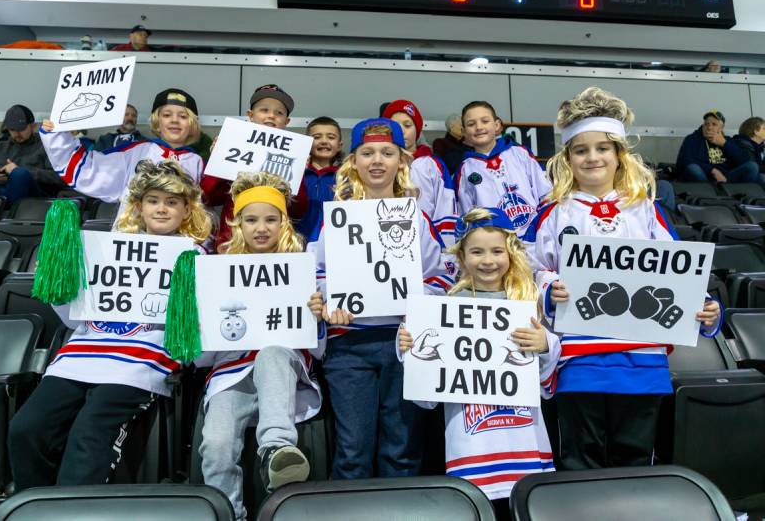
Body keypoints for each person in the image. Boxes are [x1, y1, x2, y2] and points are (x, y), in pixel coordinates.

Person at [524, 87, 722, 470]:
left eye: (602, 148)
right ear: (567, 159)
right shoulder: (553, 212)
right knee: (581, 463)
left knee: (635, 462)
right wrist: (549, 290)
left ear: (619, 155)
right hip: (577, 360)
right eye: (581, 150)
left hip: (642, 361)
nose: (592, 156)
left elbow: (680, 269)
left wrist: (707, 310)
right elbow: (529, 271)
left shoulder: (645, 209)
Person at [7, 159, 212, 490]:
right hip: (80, 357)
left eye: (172, 202)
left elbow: (193, 333)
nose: (162, 209)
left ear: (187, 210)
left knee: (90, 433)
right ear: (139, 206)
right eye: (153, 201)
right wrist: (61, 285)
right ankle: (36, 505)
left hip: (140, 362)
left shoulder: (194, 256)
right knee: (26, 429)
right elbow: (74, 318)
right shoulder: (103, 247)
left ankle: (74, 511)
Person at [307, 118, 455, 479]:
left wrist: (413, 297)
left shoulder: (416, 218)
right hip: (349, 346)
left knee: (402, 450)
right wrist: (325, 303)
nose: (377, 161)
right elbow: (316, 272)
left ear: (401, 161)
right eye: (367, 153)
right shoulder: (336, 219)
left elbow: (442, 276)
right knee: (353, 451)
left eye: (387, 153)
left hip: (404, 343)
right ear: (353, 161)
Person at [399, 207, 559, 519]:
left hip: (524, 442)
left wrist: (545, 345)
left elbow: (546, 383)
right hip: (472, 448)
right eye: (477, 251)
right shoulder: (443, 309)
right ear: (461, 257)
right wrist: (409, 351)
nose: (488, 260)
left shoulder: (526, 302)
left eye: (497, 251)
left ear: (511, 252)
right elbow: (426, 398)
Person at [196, 172, 324, 521]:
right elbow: (201, 359)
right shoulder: (217, 271)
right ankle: (229, 515)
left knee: (271, 352)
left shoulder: (304, 268)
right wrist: (202, 324)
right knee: (216, 445)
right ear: (237, 224)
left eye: (271, 219)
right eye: (251, 220)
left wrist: (318, 317)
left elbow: (318, 350)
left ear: (284, 223)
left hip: (284, 367)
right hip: (230, 373)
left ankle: (277, 449)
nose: (261, 228)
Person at [40, 88, 204, 222]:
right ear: (157, 122)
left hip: (178, 249)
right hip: (131, 245)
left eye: (183, 116)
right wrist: (58, 135)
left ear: (192, 124)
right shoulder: (135, 151)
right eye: (167, 115)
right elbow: (85, 169)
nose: (174, 120)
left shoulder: (198, 162)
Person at [201, 84, 307, 248]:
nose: (271, 116)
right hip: (232, 242)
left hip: (274, 244)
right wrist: (218, 157)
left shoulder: (293, 154)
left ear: (287, 121)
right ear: (250, 115)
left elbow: (299, 209)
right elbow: (209, 196)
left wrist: (299, 174)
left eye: (279, 113)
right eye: (264, 110)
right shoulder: (233, 143)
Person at [456, 101, 551, 235]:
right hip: (495, 245)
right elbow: (467, 215)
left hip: (534, 240)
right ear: (464, 132)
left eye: (485, 121)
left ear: (497, 125)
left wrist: (543, 229)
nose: (479, 127)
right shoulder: (465, 169)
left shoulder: (520, 153)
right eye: (471, 124)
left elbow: (545, 193)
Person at [383, 99, 458, 246]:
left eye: (407, 125)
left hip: (429, 247)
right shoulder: (378, 165)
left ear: (417, 129)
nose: (402, 131)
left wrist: (446, 249)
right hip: (390, 245)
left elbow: (446, 206)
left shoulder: (432, 164)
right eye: (395, 126)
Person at [0, 105, 67, 203]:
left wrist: (21, 171)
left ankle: (4, 204)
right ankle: (2, 203)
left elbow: (59, 178)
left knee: (20, 174)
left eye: (21, 129)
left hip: (29, 194)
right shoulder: (1, 146)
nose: (17, 134)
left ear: (33, 126)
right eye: (12, 130)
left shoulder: (46, 145)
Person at [676, 110, 757, 184]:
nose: (709, 127)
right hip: (703, 179)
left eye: (714, 124)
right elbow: (685, 160)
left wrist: (724, 144)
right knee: (693, 168)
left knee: (752, 167)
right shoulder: (692, 139)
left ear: (721, 128)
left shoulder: (728, 140)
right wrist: (712, 170)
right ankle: (708, 193)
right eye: (706, 124)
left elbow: (744, 160)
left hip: (726, 179)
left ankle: (741, 197)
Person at [296, 116, 343, 238]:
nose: (324, 141)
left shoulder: (345, 177)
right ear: (307, 142)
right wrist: (299, 171)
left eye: (331, 137)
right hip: (296, 243)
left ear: (339, 145)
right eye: (317, 137)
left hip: (333, 243)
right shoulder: (297, 174)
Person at [732, 117, 765, 185]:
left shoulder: (759, 147)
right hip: (736, 183)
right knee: (761, 177)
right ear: (756, 131)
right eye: (764, 129)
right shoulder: (742, 144)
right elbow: (753, 167)